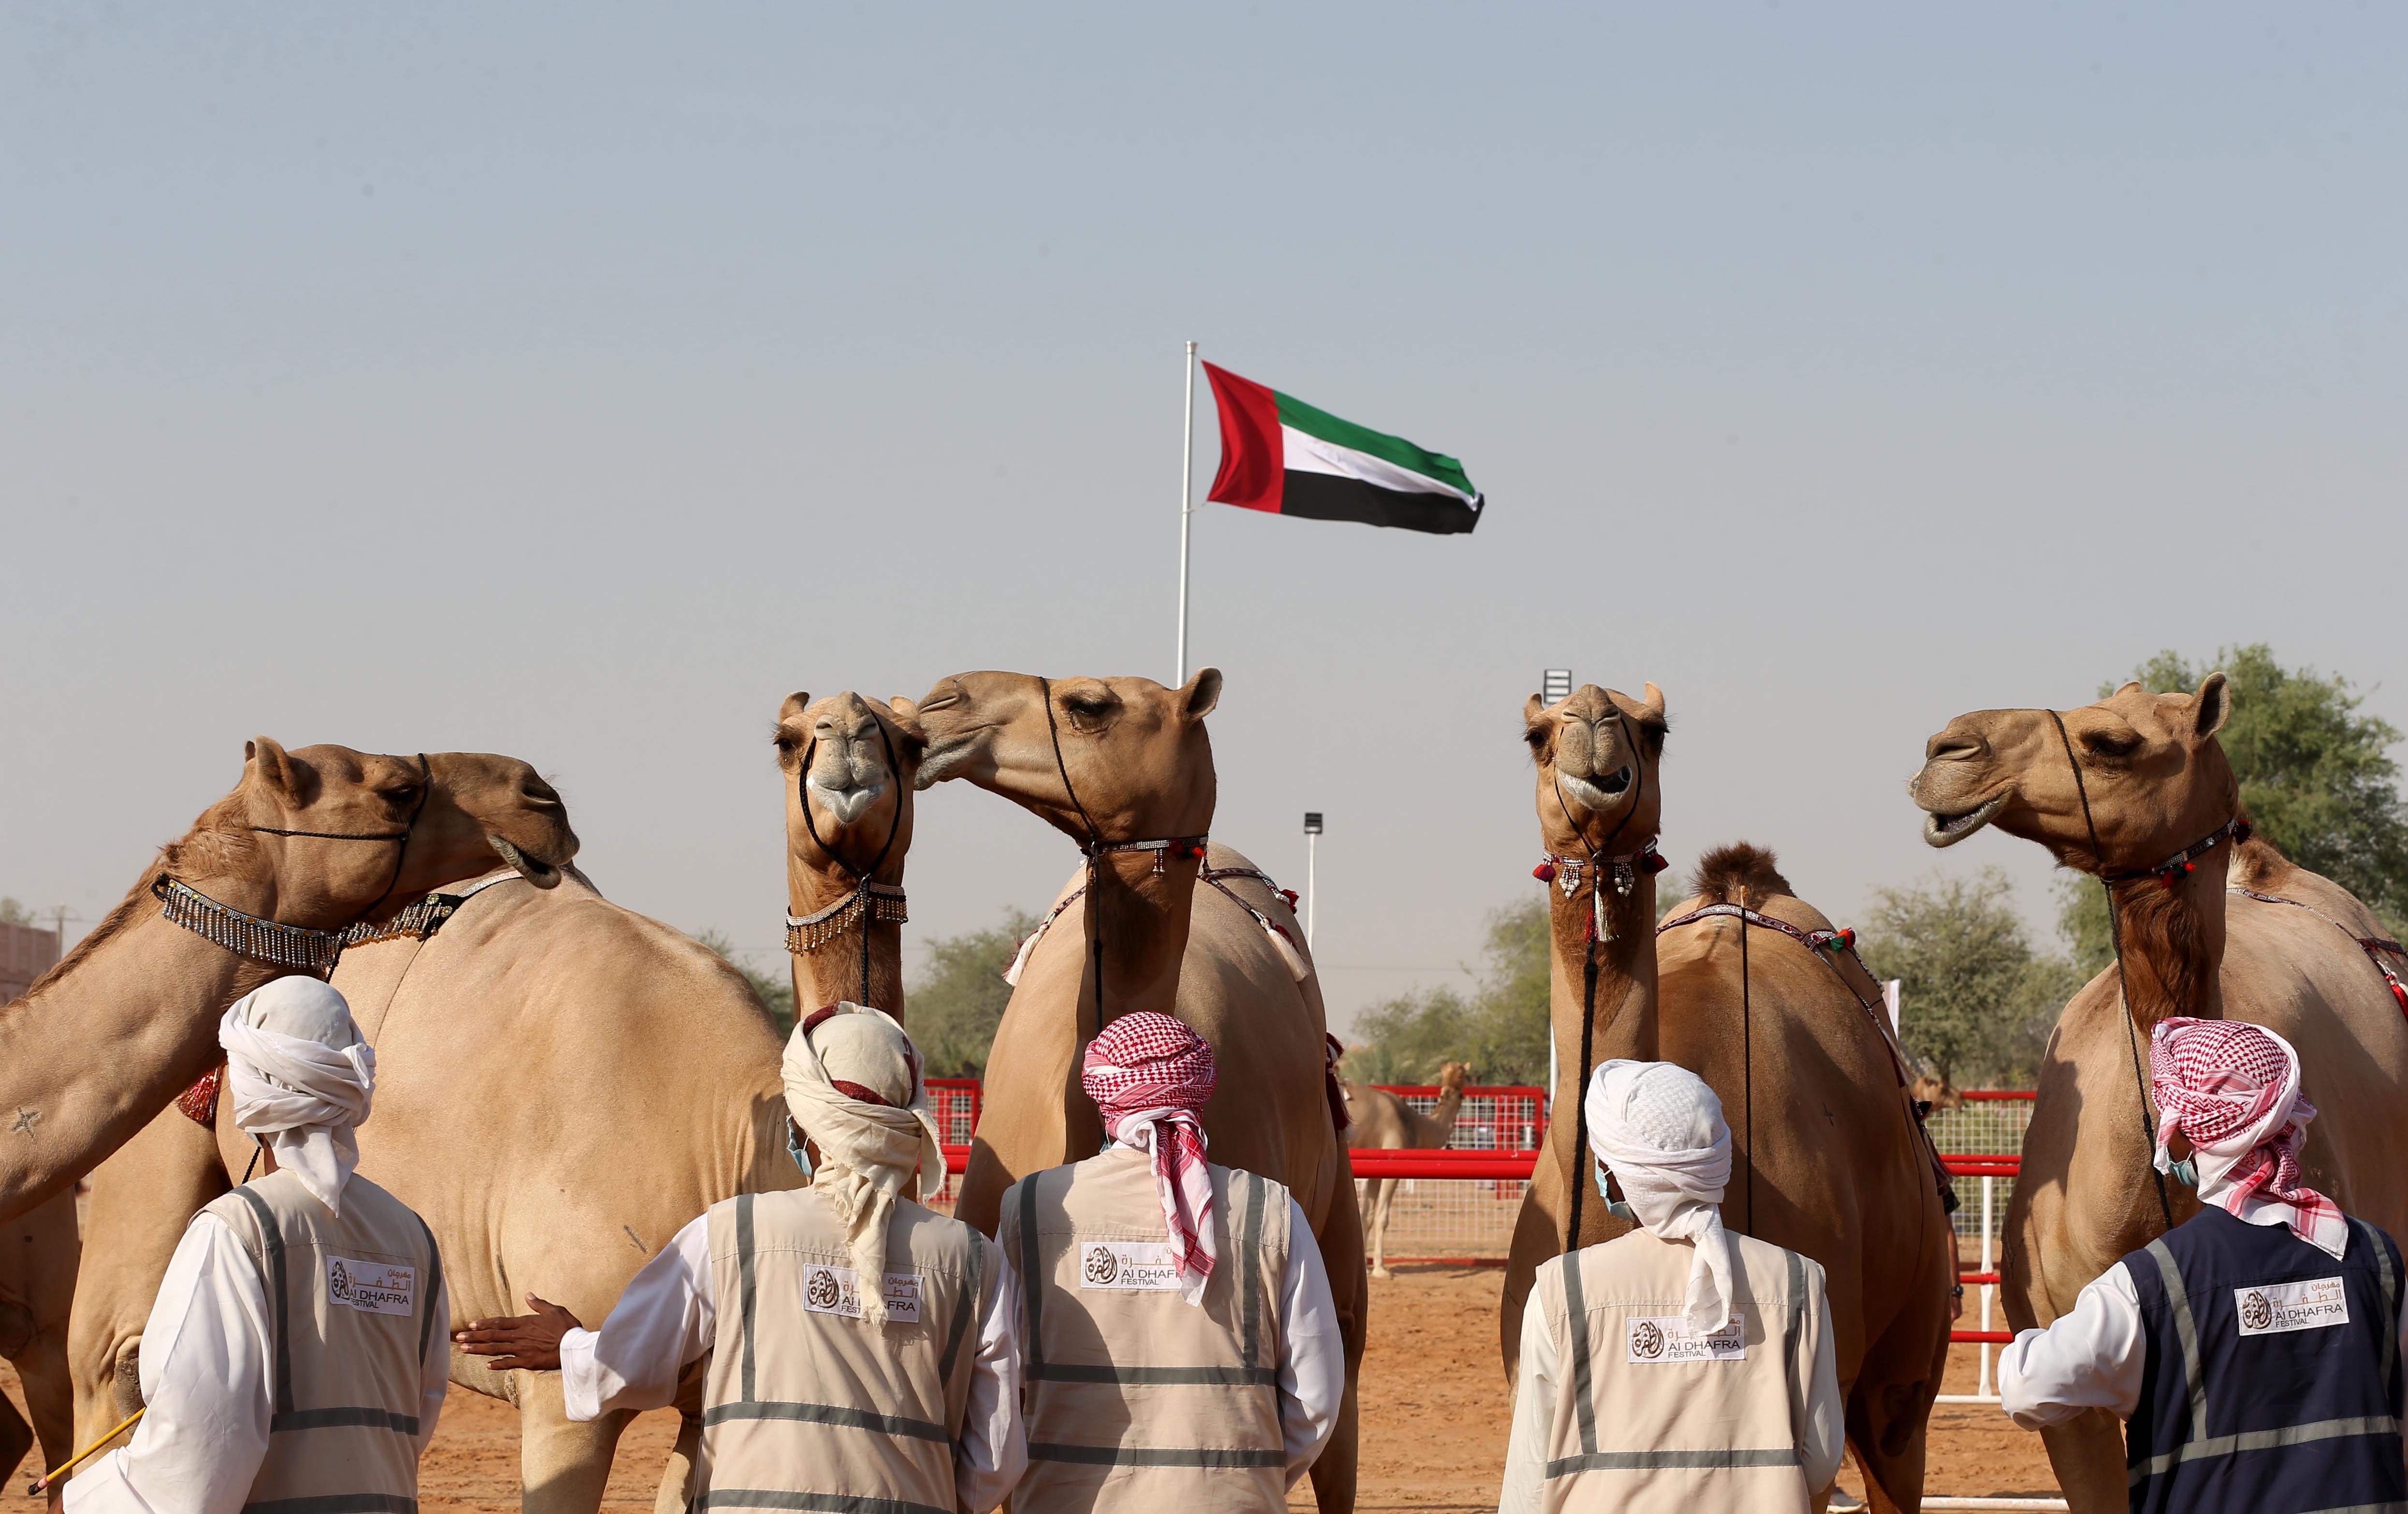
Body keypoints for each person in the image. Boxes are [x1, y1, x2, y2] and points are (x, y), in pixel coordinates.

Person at [454, 1002, 1026, 1514]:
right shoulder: (976, 1261)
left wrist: (568, 1347)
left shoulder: (731, 1233)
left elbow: (632, 1366)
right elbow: (997, 1458)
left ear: (804, 1116)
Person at [65, 977, 448, 1514]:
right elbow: (416, 1414)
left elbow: (198, 1444)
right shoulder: (413, 1236)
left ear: (250, 1088)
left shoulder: (237, 1231)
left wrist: (89, 1500)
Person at [1997, 1018, 2406, 1513]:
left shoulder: (2144, 1288)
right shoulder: (2379, 1259)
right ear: (2286, 1117)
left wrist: (2035, 1338)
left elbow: (2027, 1391)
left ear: (2189, 1136)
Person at [998, 1011, 1344, 1511]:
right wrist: (1244, 1479)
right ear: (1200, 1091)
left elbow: (996, 1385)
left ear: (1101, 1095)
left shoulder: (1027, 1208)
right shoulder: (1273, 1212)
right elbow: (1316, 1396)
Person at [1499, 1060, 1843, 1514]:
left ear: (1614, 1170)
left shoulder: (1561, 1289)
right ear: (1716, 1157)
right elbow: (1820, 1462)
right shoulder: (1799, 1281)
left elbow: (1529, 1479)